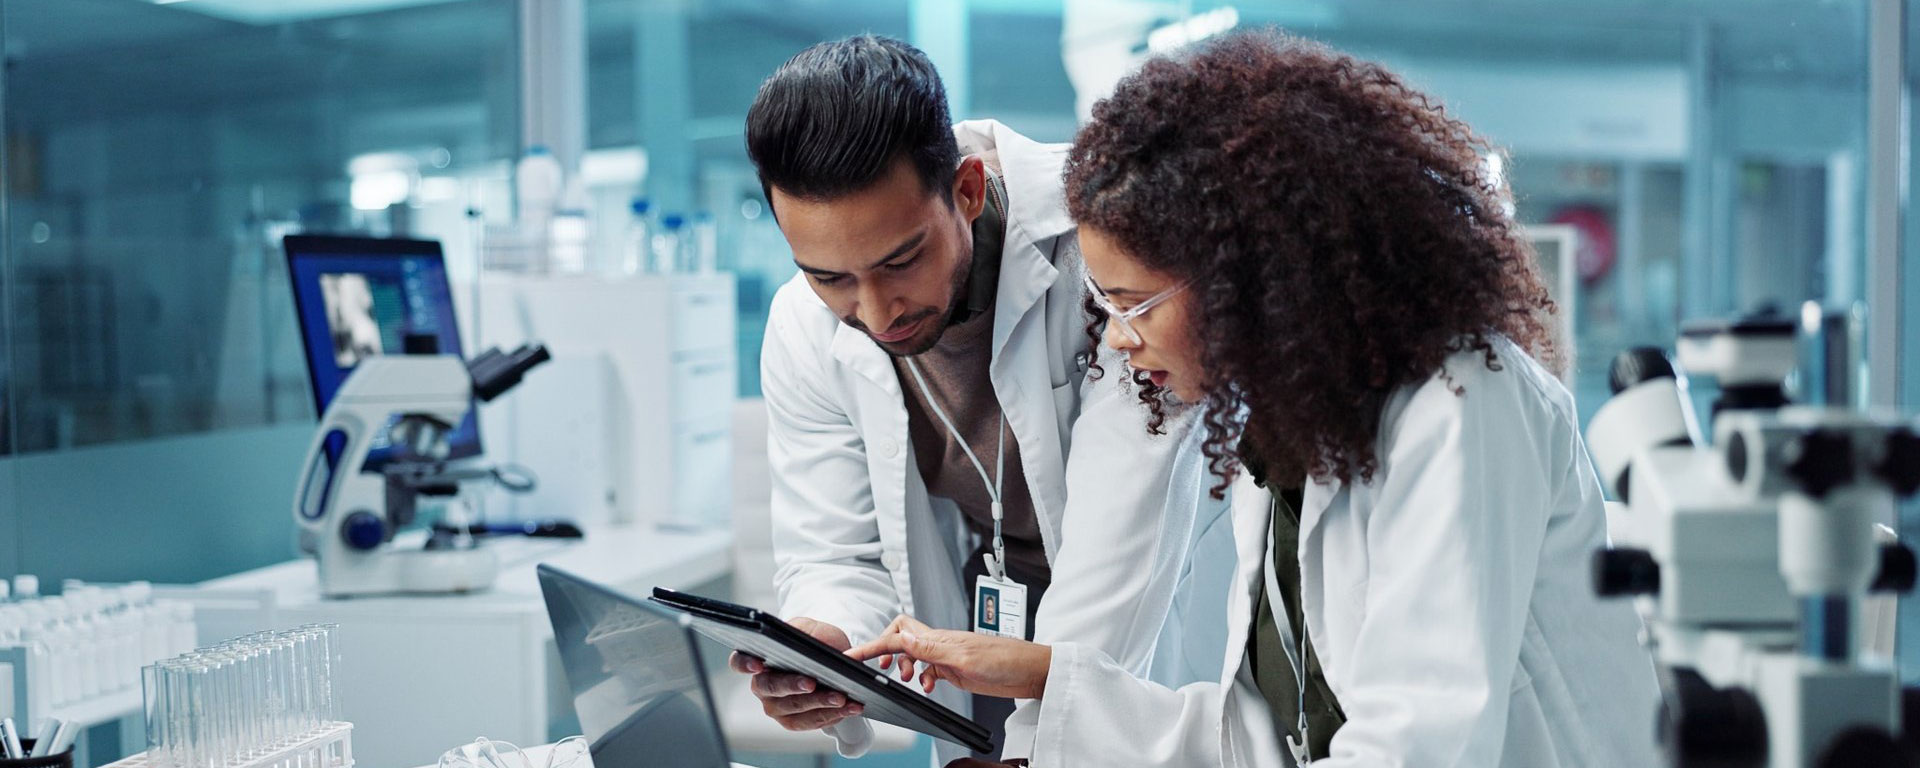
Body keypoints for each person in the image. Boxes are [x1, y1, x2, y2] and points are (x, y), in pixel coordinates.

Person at [850, 30, 1661, 767]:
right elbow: (1268, 739)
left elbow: (1416, 747)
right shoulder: (1278, 438)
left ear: (1252, 280)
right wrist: (1045, 680)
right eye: (1105, 304)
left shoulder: (1459, 405)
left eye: (1135, 303)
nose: (1119, 339)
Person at [733, 35, 1219, 762]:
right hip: (985, 613)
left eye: (901, 260)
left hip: (1147, 610)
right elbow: (833, 549)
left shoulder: (1104, 240)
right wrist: (825, 645)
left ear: (965, 188)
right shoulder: (803, 328)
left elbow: (1125, 541)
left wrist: (1032, 749)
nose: (874, 311)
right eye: (828, 276)